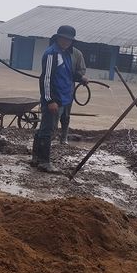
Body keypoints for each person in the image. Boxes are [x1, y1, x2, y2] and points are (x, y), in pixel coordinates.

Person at [32, 25, 83, 172]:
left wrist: (80, 78)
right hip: (55, 99)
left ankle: (36, 158)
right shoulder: (52, 53)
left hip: (64, 97)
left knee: (46, 128)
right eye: (64, 39)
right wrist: (50, 100)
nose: (66, 42)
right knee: (48, 130)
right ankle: (44, 162)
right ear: (58, 38)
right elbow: (46, 79)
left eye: (69, 40)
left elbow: (68, 73)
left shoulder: (66, 53)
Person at [59, 44, 88, 145]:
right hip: (55, 90)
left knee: (65, 116)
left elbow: (81, 70)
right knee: (52, 117)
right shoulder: (54, 52)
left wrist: (80, 77)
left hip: (68, 91)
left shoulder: (77, 54)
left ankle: (63, 138)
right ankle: (47, 139)